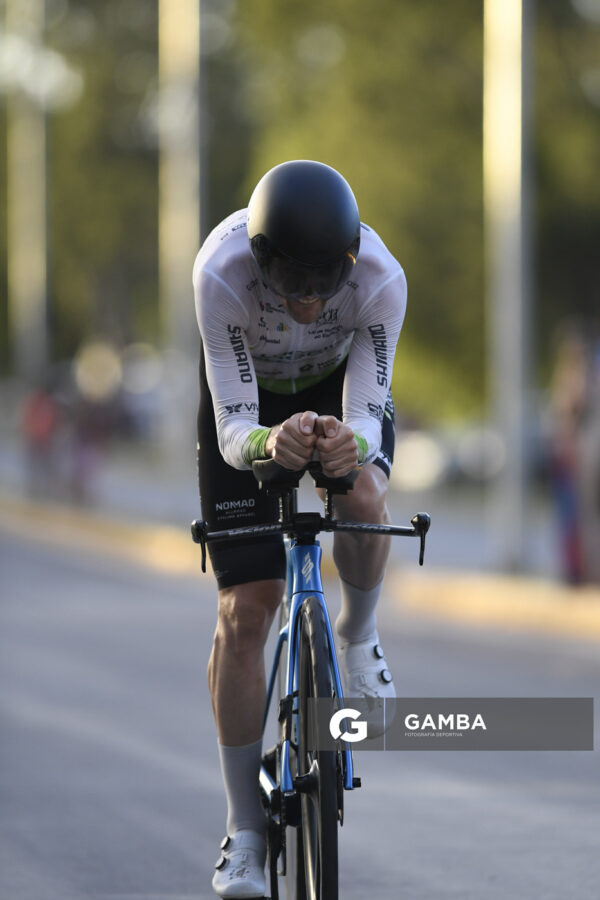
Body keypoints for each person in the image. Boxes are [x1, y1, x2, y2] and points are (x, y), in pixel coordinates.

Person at [193, 160, 407, 898]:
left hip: (337, 388)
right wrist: (266, 443)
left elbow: (369, 410)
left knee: (366, 494)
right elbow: (231, 426)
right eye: (292, 280)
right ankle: (244, 832)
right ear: (261, 260)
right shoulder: (219, 274)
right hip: (249, 401)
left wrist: (355, 443)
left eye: (327, 281)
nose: (311, 300)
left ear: (351, 259)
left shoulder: (380, 278)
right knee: (245, 611)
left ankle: (358, 635)